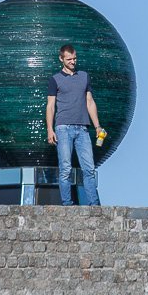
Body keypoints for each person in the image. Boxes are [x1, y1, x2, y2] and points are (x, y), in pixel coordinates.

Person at [45, 44, 103, 206]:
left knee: (89, 169)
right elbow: (50, 105)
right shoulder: (55, 79)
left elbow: (89, 101)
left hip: (83, 128)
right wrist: (50, 129)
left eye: (74, 58)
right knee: (65, 169)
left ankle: (94, 205)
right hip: (63, 128)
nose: (72, 61)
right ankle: (67, 205)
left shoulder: (84, 76)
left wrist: (97, 126)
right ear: (61, 59)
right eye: (69, 59)